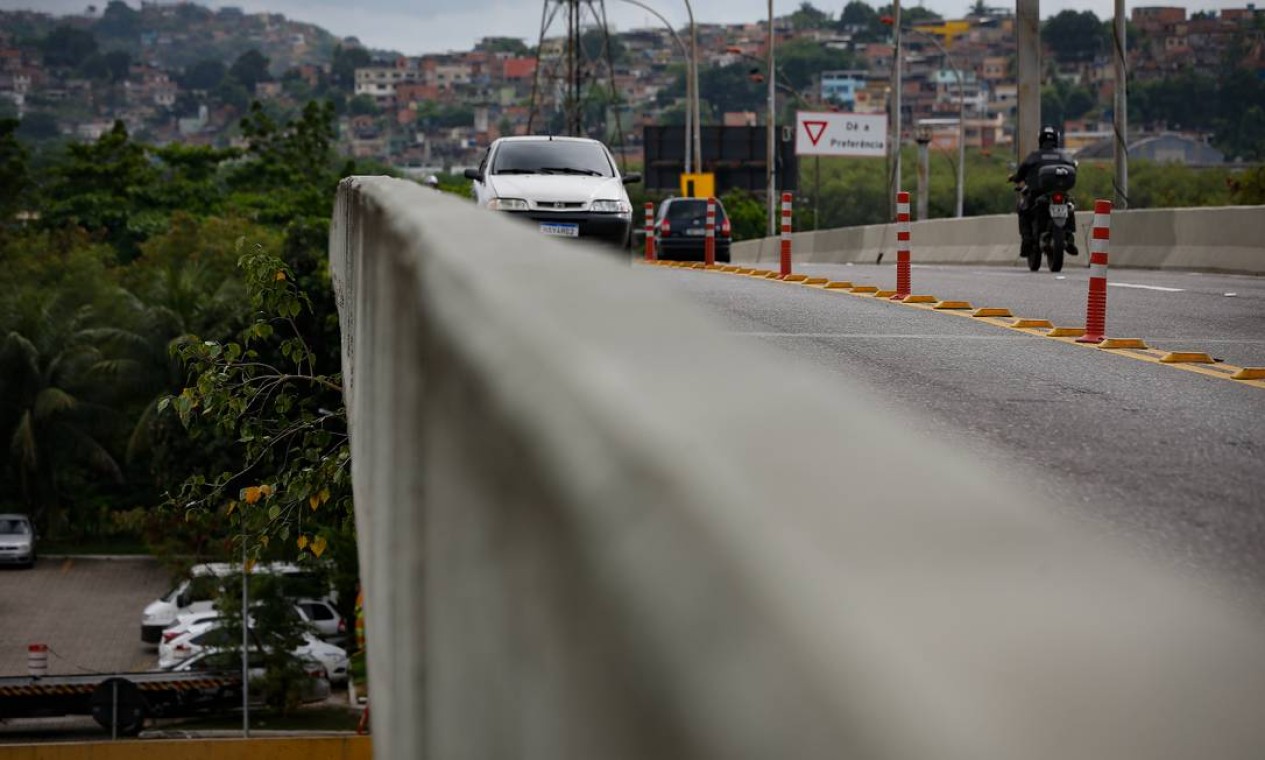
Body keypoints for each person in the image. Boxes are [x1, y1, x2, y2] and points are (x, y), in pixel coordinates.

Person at [1009, 125, 1078, 256]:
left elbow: (1020, 174)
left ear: (1040, 139)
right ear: (1056, 140)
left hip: (1037, 194)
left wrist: (1015, 178)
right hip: (1060, 192)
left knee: (1023, 209)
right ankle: (1070, 237)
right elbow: (1074, 168)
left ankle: (1027, 242)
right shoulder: (1065, 156)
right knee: (1069, 205)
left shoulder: (1034, 157)